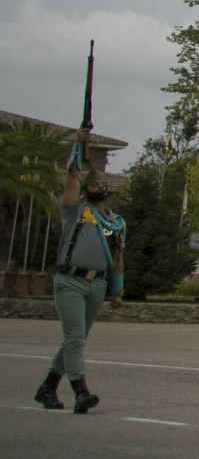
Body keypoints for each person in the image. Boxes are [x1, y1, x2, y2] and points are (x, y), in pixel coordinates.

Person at [35, 127, 124, 414]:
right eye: (95, 184)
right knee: (74, 338)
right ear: (86, 190)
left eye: (103, 184)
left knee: (76, 339)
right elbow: (72, 175)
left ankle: (48, 387)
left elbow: (118, 256)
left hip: (97, 284)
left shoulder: (115, 221)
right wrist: (78, 146)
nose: (100, 186)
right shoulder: (75, 211)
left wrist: (118, 290)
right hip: (70, 281)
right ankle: (80, 391)